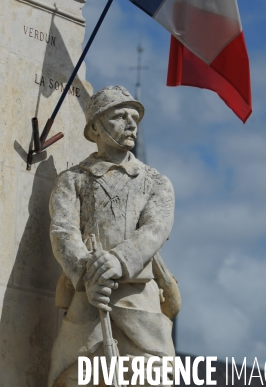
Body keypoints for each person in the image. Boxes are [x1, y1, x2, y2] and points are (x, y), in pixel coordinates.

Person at [48, 86, 180, 387]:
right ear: (95, 126)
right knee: (72, 378)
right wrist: (87, 275)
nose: (131, 124)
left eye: (135, 117)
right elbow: (63, 230)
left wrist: (119, 261)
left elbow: (155, 228)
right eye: (120, 116)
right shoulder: (73, 179)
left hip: (139, 302)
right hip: (89, 298)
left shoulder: (156, 182)